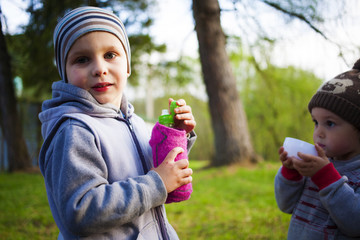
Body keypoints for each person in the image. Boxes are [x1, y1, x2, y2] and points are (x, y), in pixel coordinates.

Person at [38, 6, 196, 240]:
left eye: (110, 55)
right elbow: (79, 212)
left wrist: (177, 135)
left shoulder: (136, 122)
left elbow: (158, 168)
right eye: (82, 59)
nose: (100, 69)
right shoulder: (74, 130)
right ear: (66, 74)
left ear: (128, 65)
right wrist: (155, 184)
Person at [274, 59, 360, 239]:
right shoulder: (315, 162)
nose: (318, 133)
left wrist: (325, 177)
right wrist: (291, 173)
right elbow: (286, 205)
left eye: (330, 123)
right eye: (315, 122)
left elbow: (355, 224)